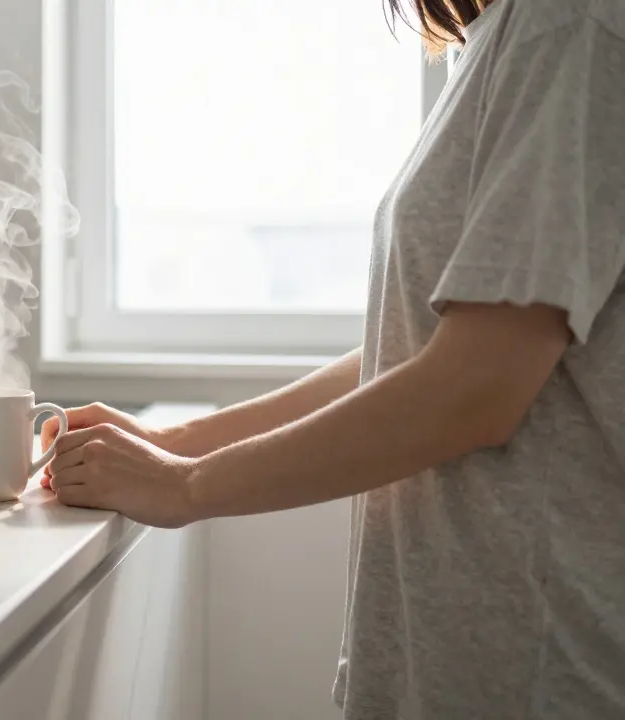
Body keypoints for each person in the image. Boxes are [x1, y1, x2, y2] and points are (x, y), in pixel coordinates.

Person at [41, 0, 625, 717]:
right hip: (451, 662)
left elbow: (476, 385)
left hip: (535, 671)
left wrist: (189, 485)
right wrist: (176, 443)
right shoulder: (500, 39)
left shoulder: (571, 24)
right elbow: (411, 349)